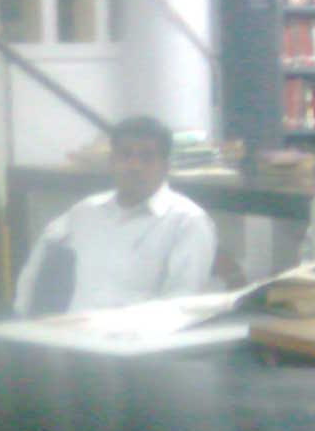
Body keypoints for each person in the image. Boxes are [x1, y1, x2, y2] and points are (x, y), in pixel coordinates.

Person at [13, 115, 217, 315]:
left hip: (142, 342)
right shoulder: (85, 212)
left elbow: (181, 304)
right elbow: (37, 265)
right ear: (111, 162)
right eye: (125, 155)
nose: (135, 166)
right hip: (73, 337)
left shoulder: (187, 221)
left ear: (165, 167)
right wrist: (23, 318)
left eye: (147, 157)